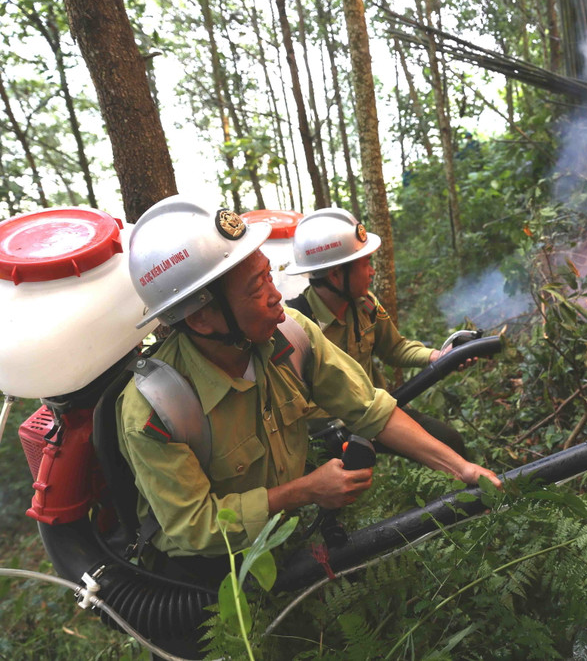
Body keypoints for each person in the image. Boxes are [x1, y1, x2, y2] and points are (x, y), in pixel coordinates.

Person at [116, 195, 500, 581]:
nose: (275, 295)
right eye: (255, 288)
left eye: (269, 275)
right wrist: (305, 491)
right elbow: (194, 526)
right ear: (201, 319)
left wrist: (462, 468)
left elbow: (369, 408)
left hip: (286, 535)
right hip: (207, 576)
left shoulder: (291, 334)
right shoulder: (155, 410)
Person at [285, 207, 471, 457]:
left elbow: (394, 348)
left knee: (449, 442)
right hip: (327, 438)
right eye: (365, 263)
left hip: (377, 417)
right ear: (336, 274)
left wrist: (437, 356)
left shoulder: (365, 305)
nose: (372, 271)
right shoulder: (296, 328)